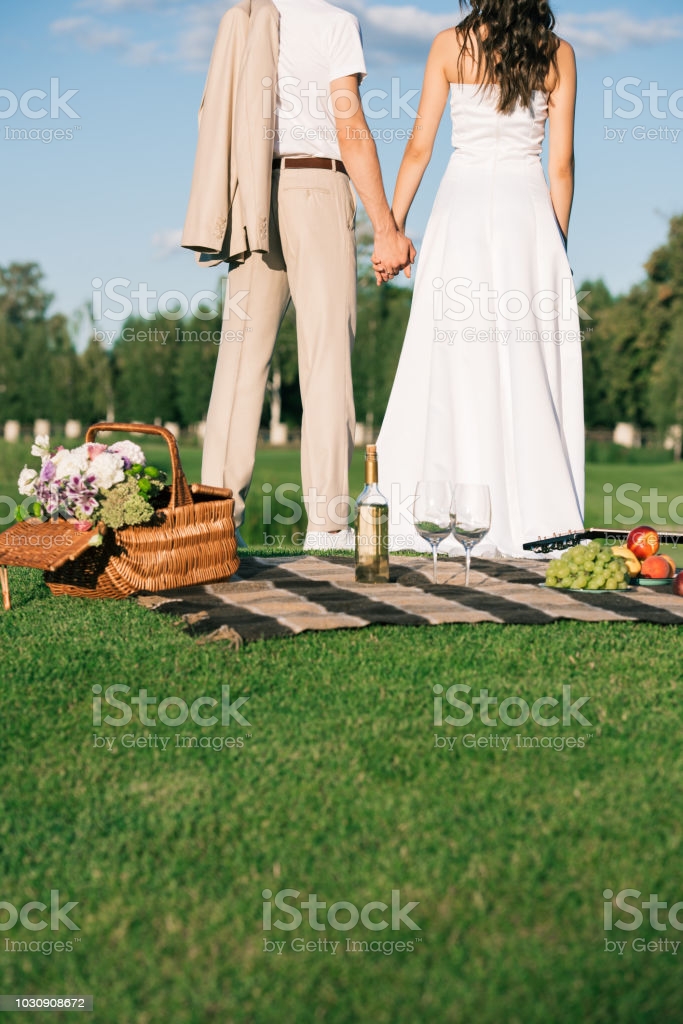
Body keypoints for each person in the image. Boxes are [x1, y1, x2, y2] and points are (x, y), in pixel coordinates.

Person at [182, 0, 414, 551]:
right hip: (316, 186)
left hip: (254, 191)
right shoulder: (335, 23)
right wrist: (386, 225)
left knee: (240, 360)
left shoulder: (244, 16)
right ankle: (327, 524)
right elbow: (348, 120)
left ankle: (214, 524)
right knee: (326, 354)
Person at [375, 0, 585, 559]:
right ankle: (534, 514)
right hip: (527, 216)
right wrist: (556, 248)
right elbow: (560, 166)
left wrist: (391, 230)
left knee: (450, 352)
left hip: (460, 209)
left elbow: (420, 146)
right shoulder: (557, 54)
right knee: (525, 354)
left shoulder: (450, 45)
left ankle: (442, 509)